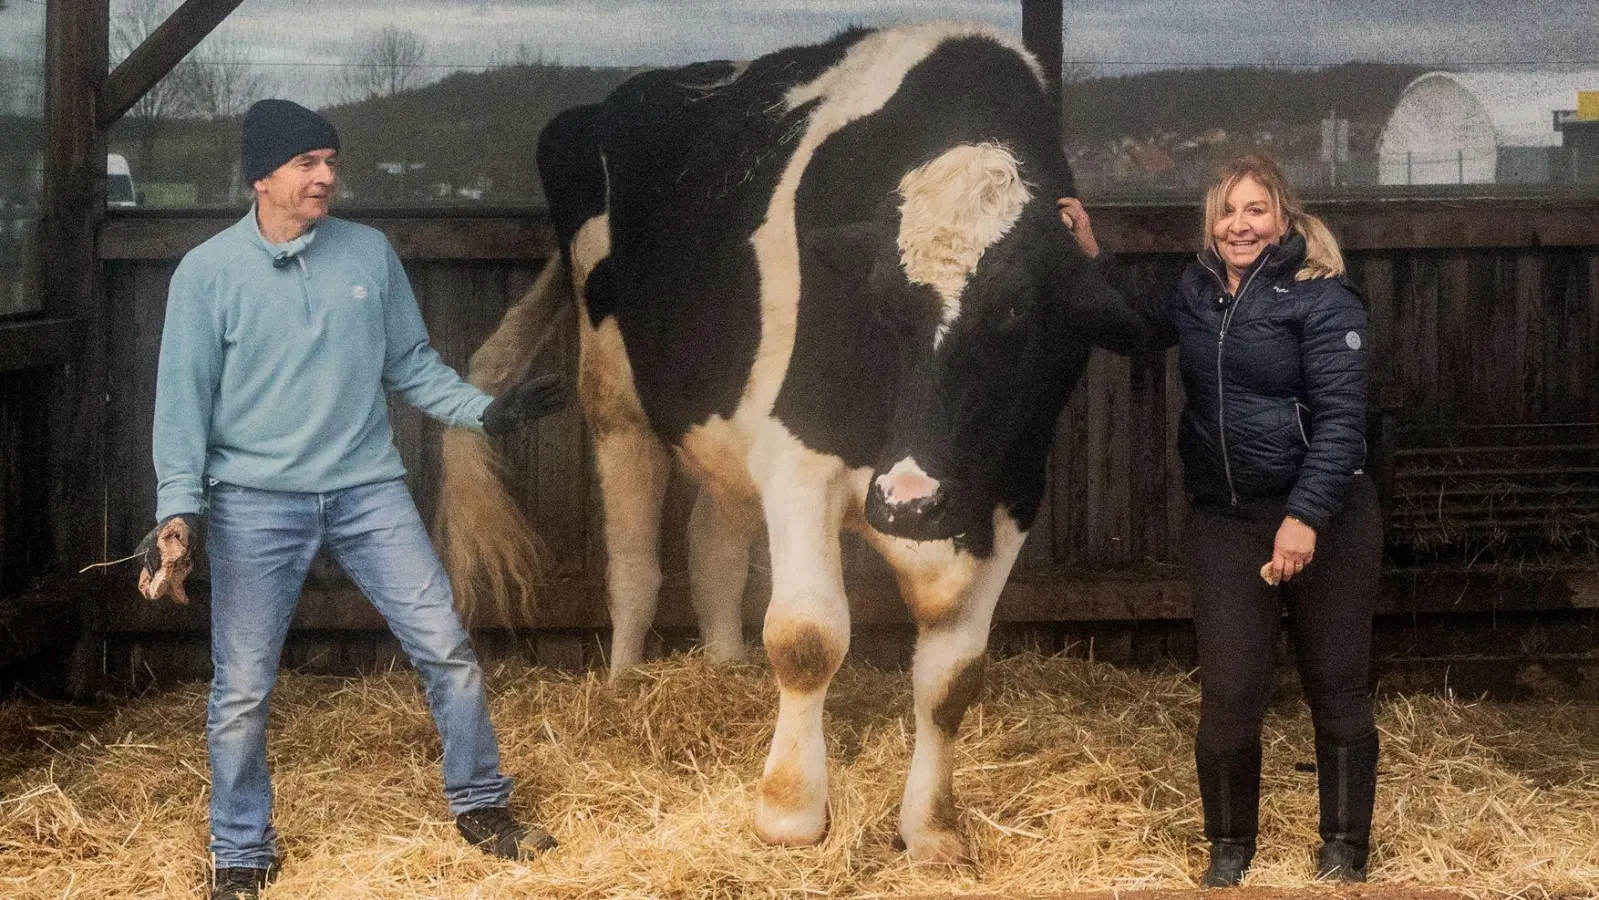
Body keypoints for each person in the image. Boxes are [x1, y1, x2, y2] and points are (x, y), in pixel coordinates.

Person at [135, 99, 566, 900]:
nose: (327, 176)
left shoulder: (368, 255)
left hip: (369, 491)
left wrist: (486, 410)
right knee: (242, 687)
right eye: (307, 163)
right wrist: (179, 509)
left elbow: (411, 365)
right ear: (261, 176)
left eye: (331, 160)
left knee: (446, 648)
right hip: (254, 504)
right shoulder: (206, 274)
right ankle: (240, 851)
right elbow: (181, 404)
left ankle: (481, 807)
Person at [1058, 154, 1382, 886]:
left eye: (1255, 209)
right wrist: (1091, 253)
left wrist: (1303, 518)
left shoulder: (1322, 298)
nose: (1239, 224)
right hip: (1227, 519)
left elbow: (1341, 424)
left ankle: (1343, 851)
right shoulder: (1197, 290)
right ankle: (1230, 850)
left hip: (1324, 516)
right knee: (1230, 690)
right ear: (1211, 222)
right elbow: (1138, 328)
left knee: (1336, 682)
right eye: (1227, 211)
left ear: (1283, 218)